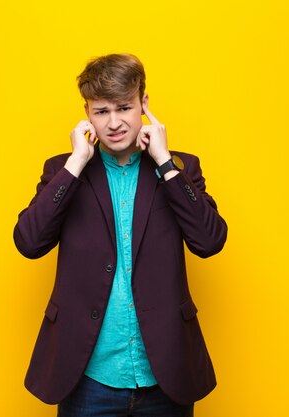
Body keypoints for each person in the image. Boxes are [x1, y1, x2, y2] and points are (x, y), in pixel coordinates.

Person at [13, 53, 228, 417]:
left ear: (143, 104)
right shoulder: (63, 169)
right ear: (86, 113)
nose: (113, 123)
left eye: (124, 107)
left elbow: (209, 242)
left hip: (165, 373)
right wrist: (76, 163)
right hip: (88, 378)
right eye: (101, 112)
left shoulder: (180, 167)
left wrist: (165, 165)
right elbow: (29, 242)